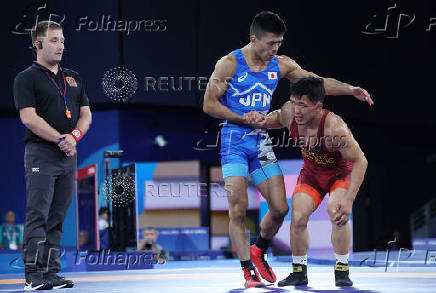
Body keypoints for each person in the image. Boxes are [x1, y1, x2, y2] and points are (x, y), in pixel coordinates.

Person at [203, 11, 372, 288]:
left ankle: (258, 249)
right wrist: (240, 118)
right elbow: (209, 104)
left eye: (279, 43)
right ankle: (248, 271)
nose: (275, 49)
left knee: (281, 208)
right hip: (233, 141)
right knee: (238, 209)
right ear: (253, 39)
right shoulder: (229, 63)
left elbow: (316, 84)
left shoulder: (281, 64)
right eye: (270, 43)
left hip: (260, 141)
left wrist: (350, 89)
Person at [243, 77, 368, 287]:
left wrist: (349, 200)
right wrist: (262, 120)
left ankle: (341, 270)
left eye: (303, 105)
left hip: (340, 173)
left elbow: (360, 161)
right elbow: (277, 117)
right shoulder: (291, 113)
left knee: (336, 210)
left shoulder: (335, 129)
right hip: (312, 173)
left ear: (318, 107)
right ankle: (299, 271)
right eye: (294, 102)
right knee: (298, 215)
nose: (297, 110)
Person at [13, 20, 92, 290]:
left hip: (68, 154)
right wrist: (61, 139)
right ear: (38, 44)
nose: (61, 45)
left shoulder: (74, 77)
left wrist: (74, 138)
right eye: (55, 40)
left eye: (62, 40)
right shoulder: (26, 78)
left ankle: (50, 272)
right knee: (39, 215)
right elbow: (29, 118)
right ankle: (33, 275)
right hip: (41, 154)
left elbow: (85, 115)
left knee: (58, 216)